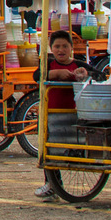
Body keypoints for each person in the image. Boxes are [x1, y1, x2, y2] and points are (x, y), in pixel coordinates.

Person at [32, 31, 90, 199]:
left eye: (65, 46)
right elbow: (36, 76)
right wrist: (55, 75)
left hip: (74, 115)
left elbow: (99, 76)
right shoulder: (48, 64)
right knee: (49, 149)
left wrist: (84, 76)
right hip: (51, 115)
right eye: (57, 46)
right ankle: (52, 184)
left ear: (71, 48)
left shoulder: (79, 65)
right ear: (51, 48)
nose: (61, 50)